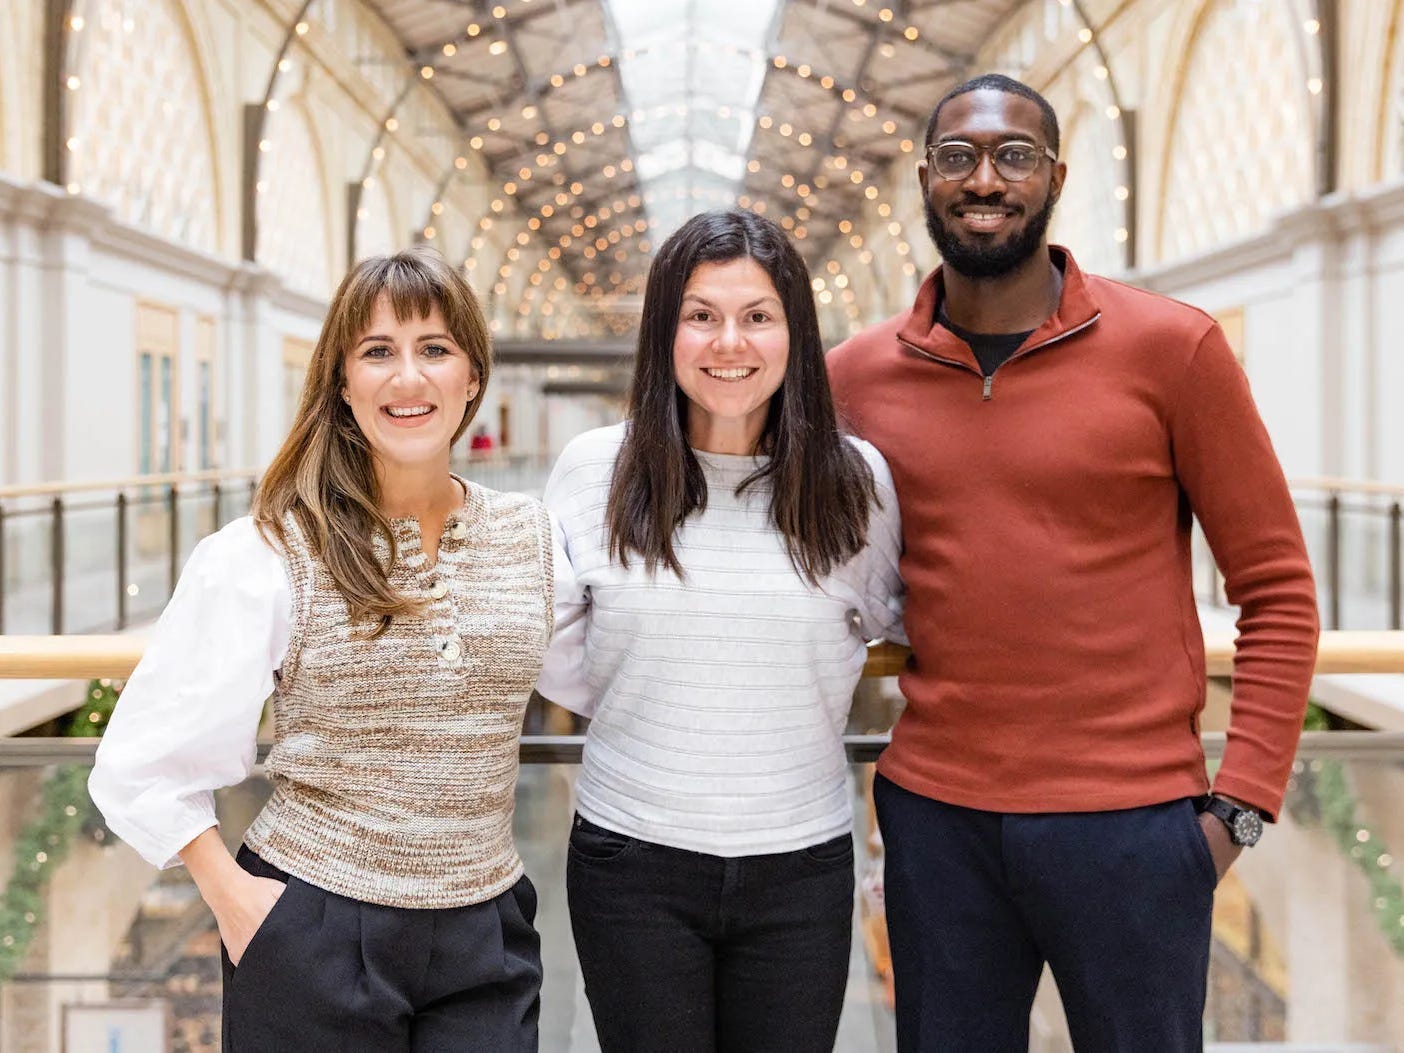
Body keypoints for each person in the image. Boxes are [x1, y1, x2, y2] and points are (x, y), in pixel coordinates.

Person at [827, 73, 1320, 1053]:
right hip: (938, 823)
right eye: (960, 156)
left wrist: (1240, 810)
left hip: (1133, 827)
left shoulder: (1172, 350)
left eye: (1014, 155)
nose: (986, 178)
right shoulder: (857, 375)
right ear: (926, 177)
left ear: (1054, 175)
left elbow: (1277, 590)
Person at [89, 247, 554, 1052]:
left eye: (434, 349)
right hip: (315, 927)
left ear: (473, 375)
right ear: (342, 382)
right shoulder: (270, 549)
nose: (407, 377)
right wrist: (241, 904)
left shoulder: (536, 537)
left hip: (487, 929)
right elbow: (141, 758)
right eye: (377, 352)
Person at [536, 208, 904, 1053]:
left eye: (757, 316)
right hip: (631, 864)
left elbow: (882, 618)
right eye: (700, 315)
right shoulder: (597, 469)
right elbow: (556, 645)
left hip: (802, 866)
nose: (727, 342)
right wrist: (658, 697)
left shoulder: (856, 483)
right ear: (665, 331)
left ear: (795, 334)